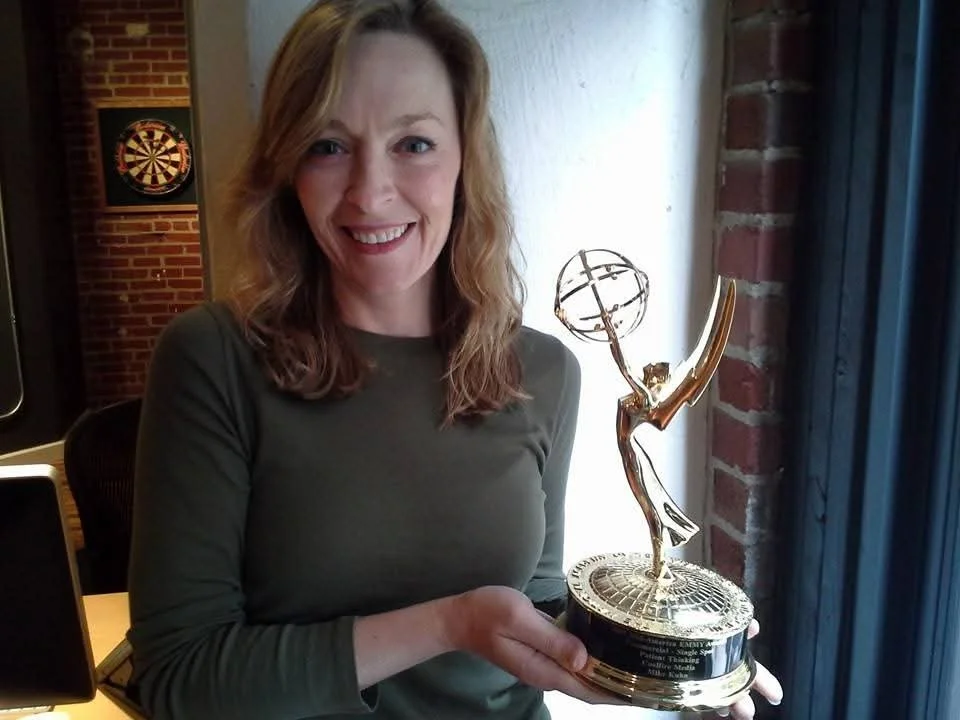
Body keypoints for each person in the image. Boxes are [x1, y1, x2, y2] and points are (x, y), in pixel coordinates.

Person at [126, 1, 783, 718]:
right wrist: (447, 624)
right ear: (286, 169)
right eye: (327, 145)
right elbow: (178, 680)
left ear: (466, 161)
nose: (370, 192)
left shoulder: (545, 372)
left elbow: (535, 612)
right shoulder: (213, 361)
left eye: (414, 143)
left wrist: (670, 654)